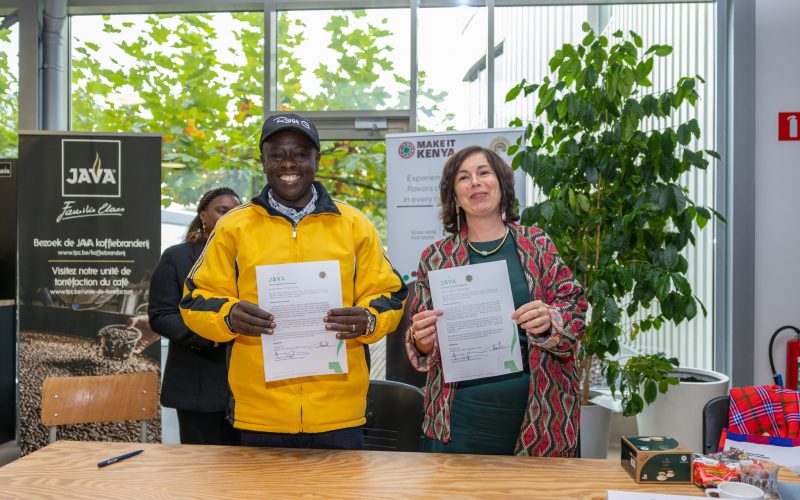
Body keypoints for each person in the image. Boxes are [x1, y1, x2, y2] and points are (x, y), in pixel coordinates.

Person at [180, 112, 407, 450]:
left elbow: (391, 292)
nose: (289, 164)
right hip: (260, 414)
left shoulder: (354, 224)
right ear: (263, 161)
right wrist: (228, 315)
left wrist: (369, 318)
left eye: (300, 154)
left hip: (340, 413)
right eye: (278, 155)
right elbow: (195, 299)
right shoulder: (233, 227)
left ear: (316, 159)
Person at [405, 145, 587, 457]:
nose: (475, 182)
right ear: (455, 196)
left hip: (538, 417)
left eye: (483, 173)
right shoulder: (435, 258)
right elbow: (423, 344)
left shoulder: (538, 245)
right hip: (457, 420)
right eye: (464, 177)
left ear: (501, 183)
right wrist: (422, 340)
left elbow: (575, 307)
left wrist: (549, 321)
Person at [148, 187, 242, 445]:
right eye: (222, 211)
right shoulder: (177, 257)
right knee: (201, 471)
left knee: (246, 471)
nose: (229, 217)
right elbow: (161, 315)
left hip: (248, 388)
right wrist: (212, 334)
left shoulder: (250, 259)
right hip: (198, 381)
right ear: (203, 215)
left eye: (235, 212)